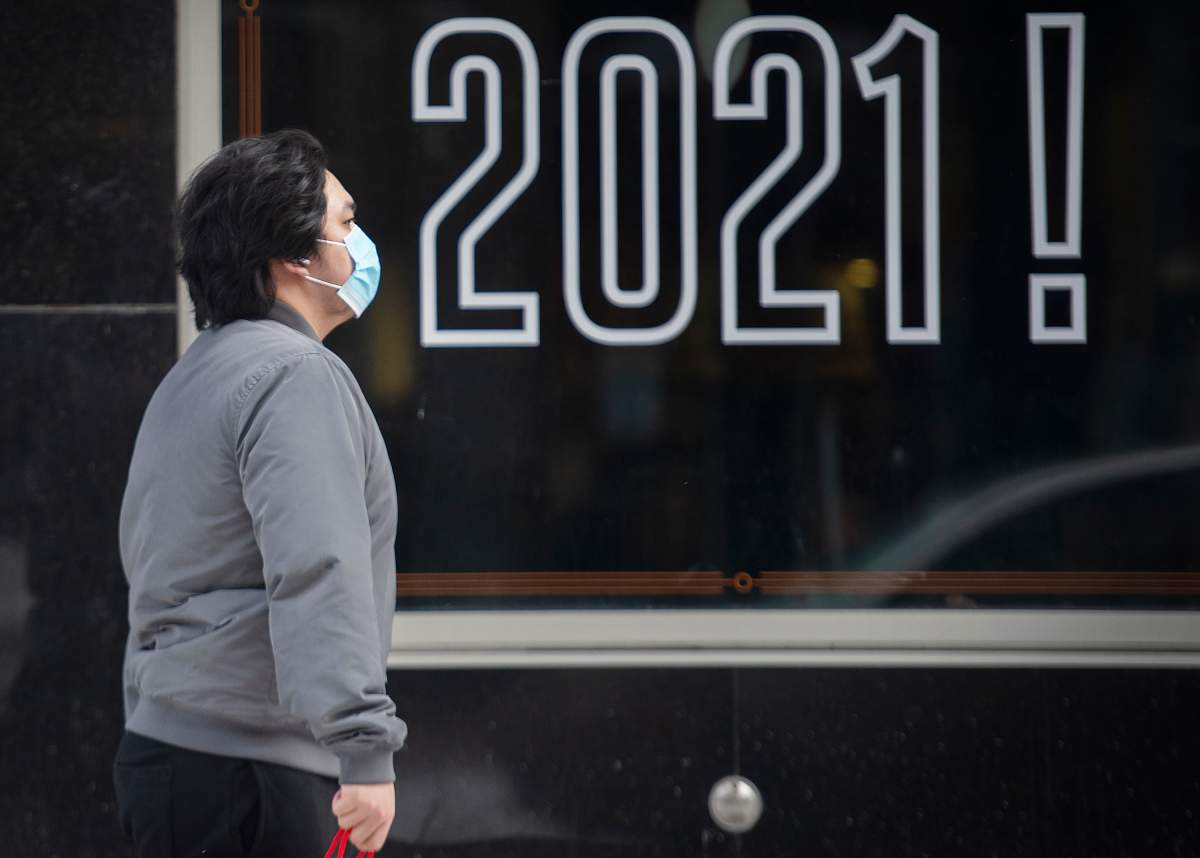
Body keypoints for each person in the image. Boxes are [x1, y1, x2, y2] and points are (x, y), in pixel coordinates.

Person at [113, 129, 406, 858]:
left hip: (171, 756)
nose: (359, 242)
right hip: (254, 777)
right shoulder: (293, 375)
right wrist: (363, 746)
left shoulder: (194, 376)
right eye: (345, 222)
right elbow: (318, 566)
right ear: (296, 255)